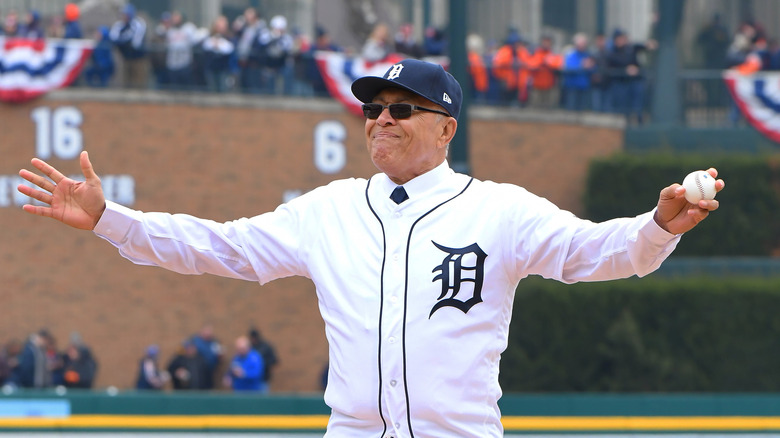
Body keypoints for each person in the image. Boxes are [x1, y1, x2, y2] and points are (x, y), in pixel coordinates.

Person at [17, 58, 724, 436]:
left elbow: (593, 252)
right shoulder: (328, 210)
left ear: (446, 128)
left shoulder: (498, 209)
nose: (381, 119)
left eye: (401, 108)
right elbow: (217, 248)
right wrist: (111, 219)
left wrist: (655, 226)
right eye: (373, 108)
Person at [109, 3, 148, 89]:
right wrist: (123, 42)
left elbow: (135, 43)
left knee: (138, 84)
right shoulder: (120, 25)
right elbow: (113, 38)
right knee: (126, 83)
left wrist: (123, 41)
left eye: (126, 14)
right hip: (126, 58)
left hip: (138, 59)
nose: (124, 16)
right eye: (123, 14)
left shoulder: (138, 24)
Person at [189, 324, 222, 389]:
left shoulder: (214, 342)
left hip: (211, 371)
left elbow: (218, 356)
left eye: (210, 331)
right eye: (206, 331)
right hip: (198, 372)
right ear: (202, 331)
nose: (208, 333)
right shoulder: (195, 340)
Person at [248, 327, 278, 391]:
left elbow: (274, 360)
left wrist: (262, 364)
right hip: (250, 381)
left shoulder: (266, 346)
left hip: (263, 379)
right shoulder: (249, 347)